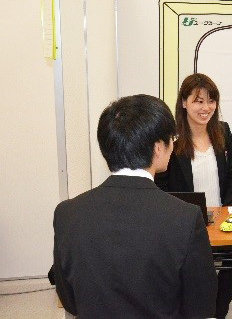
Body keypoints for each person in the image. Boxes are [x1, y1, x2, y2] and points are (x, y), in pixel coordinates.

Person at [52, 94, 217, 318]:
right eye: (173, 138)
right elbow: (200, 307)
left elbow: (69, 300)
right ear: (158, 148)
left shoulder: (67, 213)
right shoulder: (185, 218)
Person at [154, 73, 232, 318]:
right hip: (185, 223)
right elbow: (160, 184)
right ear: (184, 102)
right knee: (199, 274)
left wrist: (226, 209)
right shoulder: (171, 139)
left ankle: (218, 309)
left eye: (211, 101)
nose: (206, 108)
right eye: (198, 101)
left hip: (221, 220)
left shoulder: (223, 132)